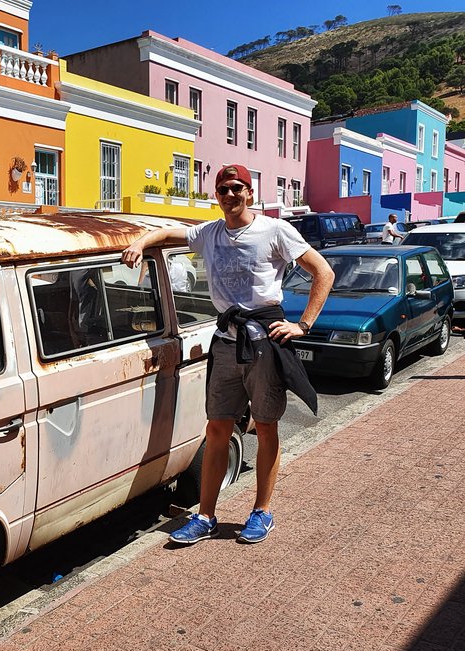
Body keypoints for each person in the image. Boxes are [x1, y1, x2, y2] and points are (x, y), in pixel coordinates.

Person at [121, 164, 334, 545]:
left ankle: (262, 512)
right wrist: (140, 242)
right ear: (216, 196)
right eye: (223, 189)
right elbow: (171, 231)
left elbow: (323, 272)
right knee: (217, 428)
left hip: (264, 341)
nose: (230, 194)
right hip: (226, 341)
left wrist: (302, 325)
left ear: (249, 193)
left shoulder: (274, 229)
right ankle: (206, 517)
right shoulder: (209, 232)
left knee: (266, 427)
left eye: (237, 188)